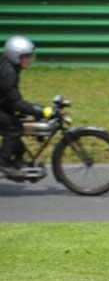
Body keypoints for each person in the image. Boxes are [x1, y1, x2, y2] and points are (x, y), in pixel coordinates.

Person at [0, 35, 51, 177]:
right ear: (15, 56)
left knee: (17, 123)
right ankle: (3, 163)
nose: (29, 59)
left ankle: (18, 162)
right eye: (26, 56)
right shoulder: (8, 73)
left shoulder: (9, 66)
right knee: (13, 129)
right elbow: (16, 102)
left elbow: (9, 98)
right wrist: (39, 110)